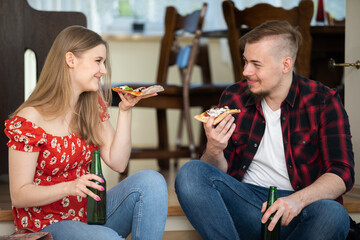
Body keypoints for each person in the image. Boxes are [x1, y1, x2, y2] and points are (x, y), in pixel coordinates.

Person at [175, 20, 354, 240]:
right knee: (190, 173)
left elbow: (342, 173)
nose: (246, 71)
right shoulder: (234, 97)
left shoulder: (324, 101)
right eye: (245, 61)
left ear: (285, 65)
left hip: (299, 209)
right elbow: (217, 173)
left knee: (334, 215)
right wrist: (214, 149)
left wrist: (297, 200)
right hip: (247, 204)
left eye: (256, 64)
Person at [4, 25, 168, 240]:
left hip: (91, 215)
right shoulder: (30, 119)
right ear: (70, 60)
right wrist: (69, 187)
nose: (104, 71)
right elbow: (19, 195)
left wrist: (125, 111)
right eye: (98, 61)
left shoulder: (90, 106)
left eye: (104, 63)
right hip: (49, 225)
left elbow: (118, 163)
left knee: (152, 181)